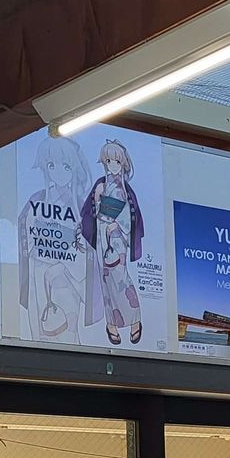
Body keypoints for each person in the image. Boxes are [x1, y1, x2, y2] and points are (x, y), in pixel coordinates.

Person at [15, 134, 89, 341]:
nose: (59, 172)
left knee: (67, 333)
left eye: (66, 166)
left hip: (67, 277)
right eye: (51, 165)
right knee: (39, 327)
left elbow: (87, 246)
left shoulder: (81, 207)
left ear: (74, 169)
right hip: (38, 273)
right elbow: (26, 237)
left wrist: (63, 265)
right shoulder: (37, 200)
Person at [78, 138, 146, 345]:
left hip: (117, 236)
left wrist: (117, 224)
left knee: (121, 276)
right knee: (104, 279)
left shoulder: (125, 189)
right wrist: (97, 199)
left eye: (116, 161)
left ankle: (134, 320)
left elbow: (131, 214)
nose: (113, 165)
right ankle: (111, 324)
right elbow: (89, 210)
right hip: (101, 232)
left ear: (123, 163)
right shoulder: (101, 184)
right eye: (108, 161)